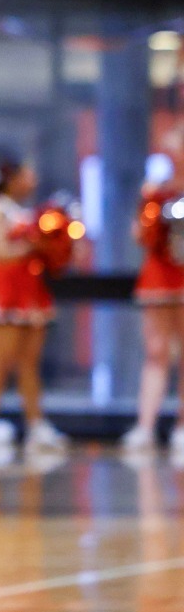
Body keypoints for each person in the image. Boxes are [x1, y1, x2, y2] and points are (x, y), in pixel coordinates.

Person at [0, 160, 64, 456]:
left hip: (30, 288)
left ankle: (36, 425)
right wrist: (35, 245)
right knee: (1, 358)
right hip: (5, 289)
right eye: (26, 175)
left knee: (29, 361)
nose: (32, 180)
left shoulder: (25, 211)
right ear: (11, 179)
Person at [125, 151, 184, 455]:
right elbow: (140, 235)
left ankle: (181, 429)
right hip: (160, 277)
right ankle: (145, 426)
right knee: (157, 351)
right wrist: (148, 207)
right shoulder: (155, 194)